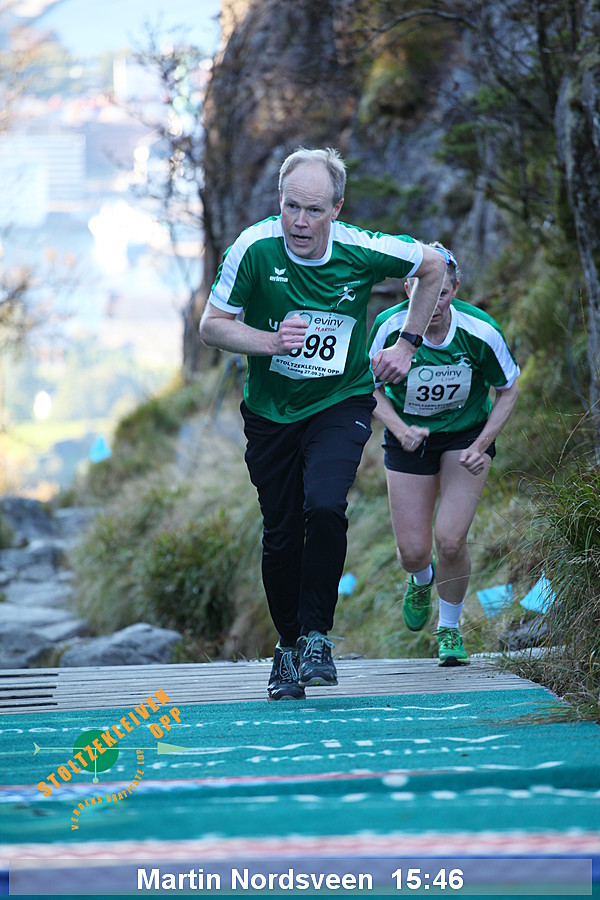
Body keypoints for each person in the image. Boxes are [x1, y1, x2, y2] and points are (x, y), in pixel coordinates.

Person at [199, 146, 447, 700]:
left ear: (336, 208)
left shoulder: (360, 249)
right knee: (282, 532)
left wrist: (407, 344)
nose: (300, 222)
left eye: (314, 210)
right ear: (278, 201)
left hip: (340, 401)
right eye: (291, 207)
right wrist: (269, 342)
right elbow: (211, 326)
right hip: (270, 414)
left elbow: (432, 265)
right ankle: (287, 648)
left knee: (326, 504)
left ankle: (316, 637)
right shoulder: (253, 248)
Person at [367, 243, 519, 666]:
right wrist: (400, 428)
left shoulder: (480, 331)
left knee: (451, 541)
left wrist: (481, 444)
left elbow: (508, 390)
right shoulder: (388, 327)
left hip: (464, 437)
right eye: (423, 294)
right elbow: (368, 387)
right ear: (407, 288)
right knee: (414, 552)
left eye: (443, 294)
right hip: (409, 437)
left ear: (456, 288)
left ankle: (449, 629)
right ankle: (421, 578)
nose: (433, 305)